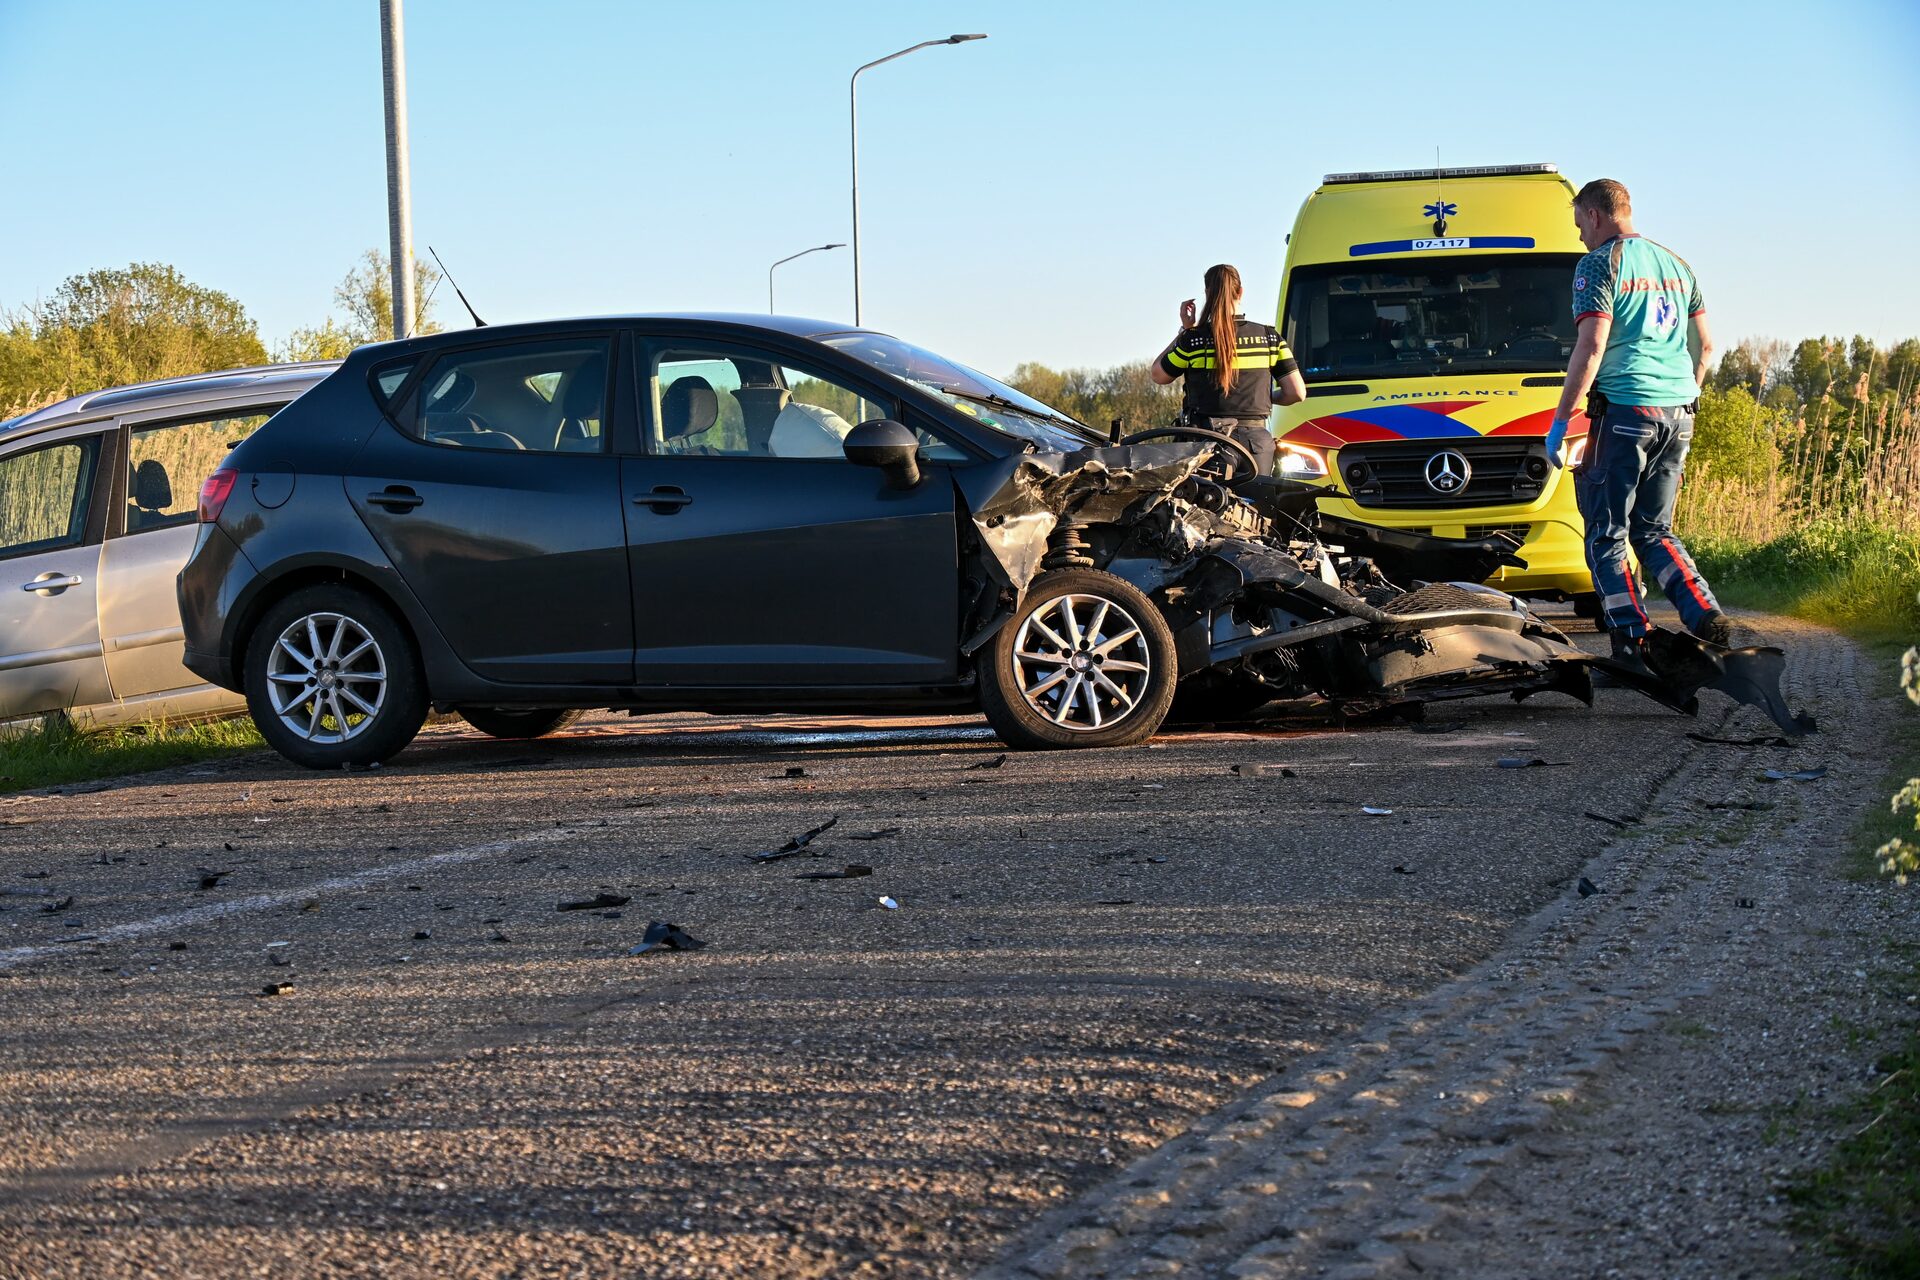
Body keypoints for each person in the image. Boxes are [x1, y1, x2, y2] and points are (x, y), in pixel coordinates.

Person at [1548, 178, 1732, 658]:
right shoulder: (1677, 264)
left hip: (1626, 411)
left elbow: (1592, 346)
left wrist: (1562, 421)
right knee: (1653, 529)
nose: (1580, 237)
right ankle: (1704, 612)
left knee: (1606, 532)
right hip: (1680, 412)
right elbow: (1705, 346)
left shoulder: (1598, 264)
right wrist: (1683, 394)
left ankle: (1633, 643)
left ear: (1594, 215)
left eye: (1579, 225)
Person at [1150, 264, 1306, 476]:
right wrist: (1263, 397)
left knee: (1212, 498)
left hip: (1208, 444)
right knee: (1259, 497)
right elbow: (1296, 392)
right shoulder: (1269, 338)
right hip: (1257, 446)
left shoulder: (1194, 341)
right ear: (1240, 292)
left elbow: (1158, 375)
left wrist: (1184, 331)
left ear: (1208, 294)